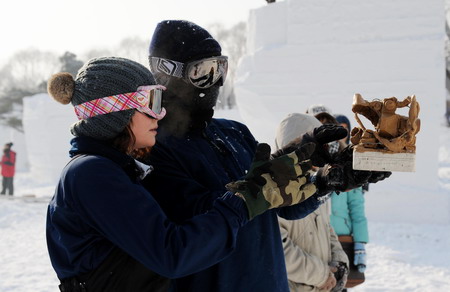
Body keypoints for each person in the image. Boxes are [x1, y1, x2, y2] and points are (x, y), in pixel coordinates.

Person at [45, 56, 318, 292]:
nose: (159, 115)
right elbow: (172, 253)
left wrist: (308, 177)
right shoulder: (91, 173)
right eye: (151, 102)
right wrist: (244, 202)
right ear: (116, 113)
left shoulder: (114, 170)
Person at [143, 20, 354, 292]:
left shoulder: (235, 132)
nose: (214, 83)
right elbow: (203, 223)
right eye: (203, 72)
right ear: (166, 74)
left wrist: (325, 182)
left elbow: (284, 206)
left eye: (221, 69)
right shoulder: (155, 149)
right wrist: (256, 191)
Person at [275, 113, 349, 292]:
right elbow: (279, 249)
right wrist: (322, 275)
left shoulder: (314, 183)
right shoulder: (273, 192)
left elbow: (326, 227)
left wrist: (340, 262)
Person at [331, 114, 369, 290]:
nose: (342, 132)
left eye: (345, 128)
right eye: (337, 127)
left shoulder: (351, 165)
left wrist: (360, 242)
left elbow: (356, 207)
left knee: (341, 285)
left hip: (342, 237)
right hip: (317, 236)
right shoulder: (317, 161)